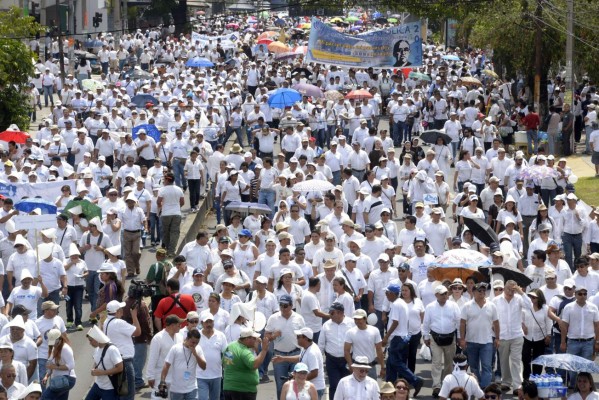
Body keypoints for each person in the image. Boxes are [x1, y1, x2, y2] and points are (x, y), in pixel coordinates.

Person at [382, 283, 424, 395]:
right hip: (401, 337)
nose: (386, 295)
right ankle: (389, 387)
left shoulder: (396, 304)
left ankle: (415, 380)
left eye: (387, 293)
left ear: (392, 293)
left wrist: (386, 336)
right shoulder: (401, 303)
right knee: (391, 365)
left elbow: (395, 322)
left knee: (396, 362)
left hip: (397, 338)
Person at [422, 285, 461, 398]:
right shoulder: (430, 307)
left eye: (446, 293)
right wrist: (426, 337)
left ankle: (446, 385)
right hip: (435, 337)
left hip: (450, 337)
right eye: (442, 294)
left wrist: (459, 337)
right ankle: (436, 386)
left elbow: (458, 323)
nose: (445, 295)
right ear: (436, 295)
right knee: (436, 362)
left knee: (449, 363)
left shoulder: (454, 306)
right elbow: (426, 323)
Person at [265, 294, 306, 400]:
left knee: (296, 384)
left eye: (285, 305)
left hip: (295, 354)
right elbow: (266, 336)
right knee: (281, 386)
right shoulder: (273, 318)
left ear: (291, 306)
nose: (283, 308)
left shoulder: (299, 318)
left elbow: (304, 336)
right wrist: (274, 336)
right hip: (279, 355)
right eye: (281, 305)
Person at [459, 282, 499, 388]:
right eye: (479, 291)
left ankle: (484, 389)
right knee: (474, 367)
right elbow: (462, 323)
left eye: (483, 291)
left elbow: (496, 323)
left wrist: (498, 338)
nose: (482, 293)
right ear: (473, 292)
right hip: (471, 341)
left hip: (487, 341)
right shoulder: (467, 306)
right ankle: (476, 386)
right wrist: (462, 339)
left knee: (487, 366)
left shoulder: (491, 306)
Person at [102, 300, 141, 400]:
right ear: (117, 311)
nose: (123, 310)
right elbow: (137, 332)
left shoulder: (107, 321)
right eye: (121, 309)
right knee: (128, 393)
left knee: (120, 392)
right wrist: (134, 316)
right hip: (124, 362)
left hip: (115, 361)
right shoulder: (119, 322)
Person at [272, 327, 325, 399]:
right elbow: (300, 357)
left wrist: (298, 379)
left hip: (315, 388)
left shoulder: (312, 352)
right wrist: (283, 358)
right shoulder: (306, 347)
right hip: (307, 386)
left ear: (306, 338)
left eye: (298, 337)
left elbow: (314, 373)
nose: (296, 338)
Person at [318, 302, 354, 399]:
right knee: (334, 385)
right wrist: (318, 361)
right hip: (332, 360)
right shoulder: (326, 325)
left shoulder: (351, 323)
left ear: (340, 313)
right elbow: (321, 344)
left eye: (332, 312)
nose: (330, 315)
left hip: (347, 360)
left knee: (347, 386)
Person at [222, 328, 270, 400]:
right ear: (247, 339)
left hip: (229, 388)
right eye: (254, 338)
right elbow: (254, 365)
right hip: (243, 390)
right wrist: (264, 350)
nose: (256, 340)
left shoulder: (230, 346)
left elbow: (226, 364)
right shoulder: (244, 351)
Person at [160, 329, 207, 400]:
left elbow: (204, 367)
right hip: (176, 389)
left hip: (192, 388)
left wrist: (196, 355)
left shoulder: (198, 349)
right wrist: (162, 381)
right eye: (193, 342)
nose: (194, 345)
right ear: (187, 339)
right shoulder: (175, 348)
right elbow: (166, 365)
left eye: (197, 343)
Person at [146, 315, 182, 396]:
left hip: (176, 376)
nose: (181, 327)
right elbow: (152, 358)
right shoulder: (158, 338)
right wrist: (150, 376)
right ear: (172, 325)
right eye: (179, 325)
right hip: (160, 376)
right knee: (159, 397)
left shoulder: (180, 337)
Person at [84, 325, 124, 400]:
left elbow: (120, 367)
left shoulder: (112, 349)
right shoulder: (97, 349)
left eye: (91, 340)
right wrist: (93, 369)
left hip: (110, 389)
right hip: (98, 385)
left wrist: (102, 372)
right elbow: (96, 362)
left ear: (97, 339)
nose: (90, 343)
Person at [40, 329, 76, 400]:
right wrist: (46, 376)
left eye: (55, 342)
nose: (53, 344)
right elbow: (50, 364)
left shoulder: (65, 349)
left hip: (67, 379)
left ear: (60, 339)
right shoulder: (54, 348)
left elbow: (71, 365)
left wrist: (55, 367)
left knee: (45, 397)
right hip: (59, 379)